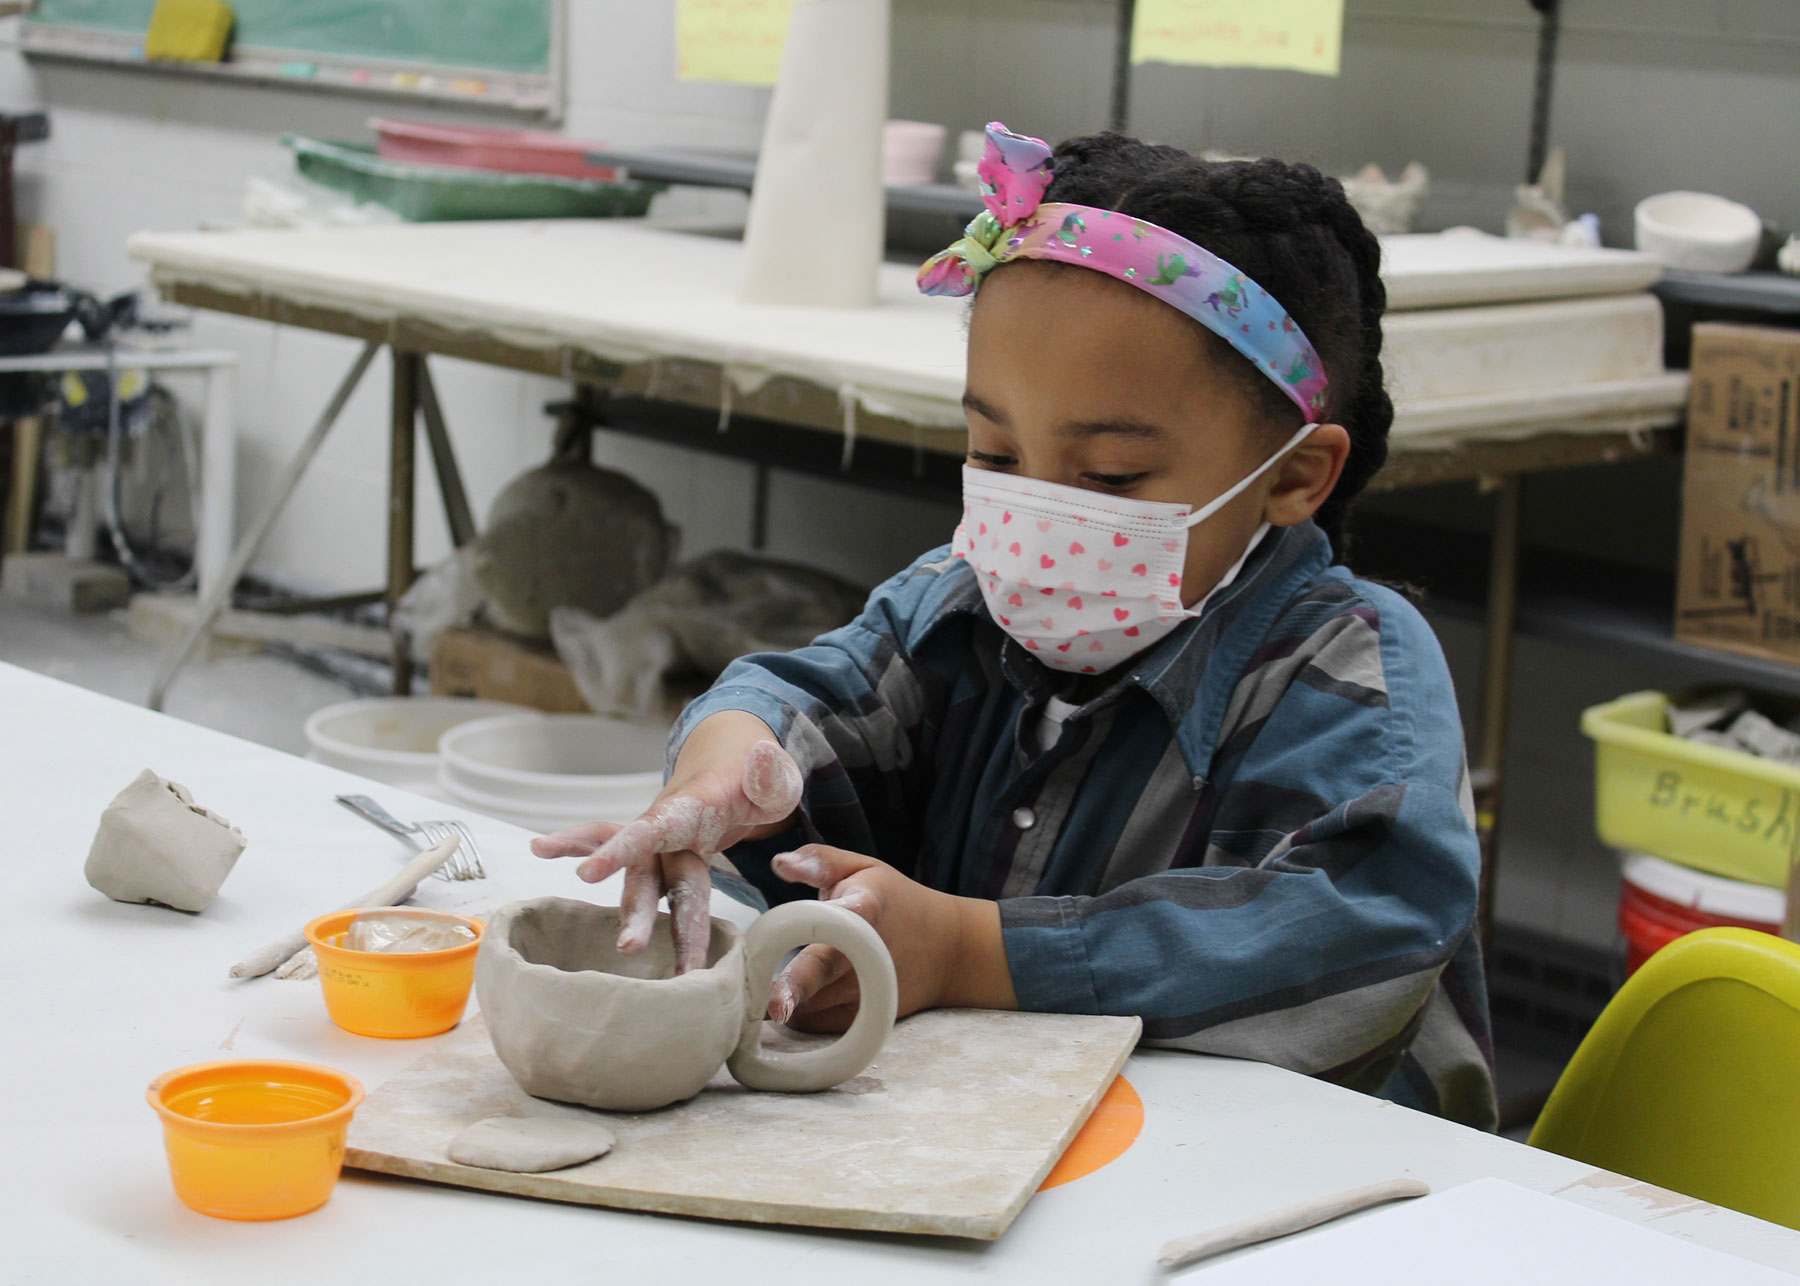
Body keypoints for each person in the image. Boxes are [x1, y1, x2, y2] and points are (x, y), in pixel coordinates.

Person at [534, 122, 1497, 1131]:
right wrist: (726, 775)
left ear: (1295, 474)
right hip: (1021, 1147)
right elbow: (810, 695)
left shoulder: (1350, 666)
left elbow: (1356, 927)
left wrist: (966, 950)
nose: (1039, 516)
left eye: (1110, 476)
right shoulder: (965, 599)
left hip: (1309, 1194)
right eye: (995, 452)